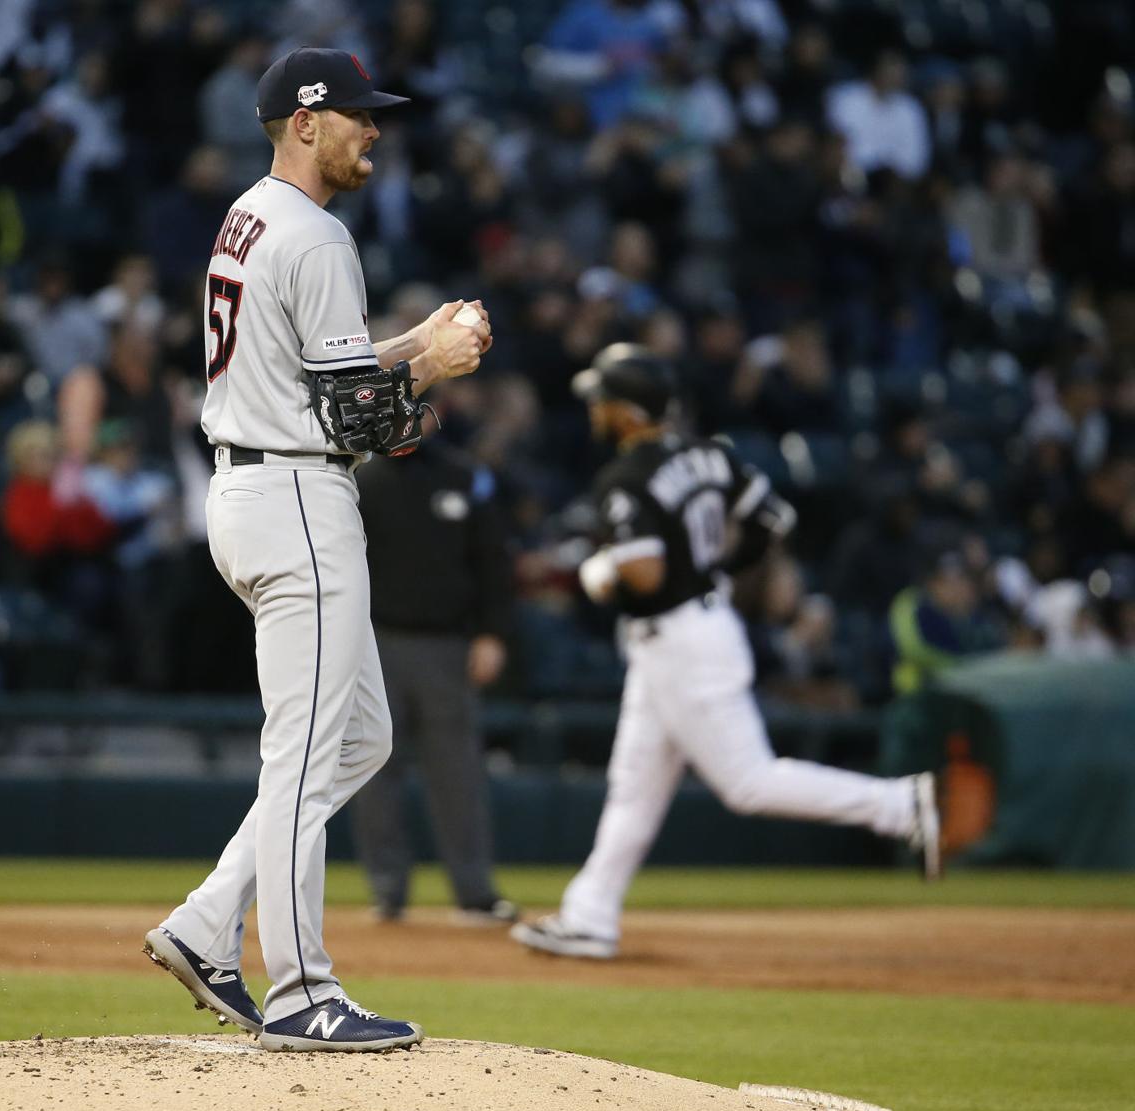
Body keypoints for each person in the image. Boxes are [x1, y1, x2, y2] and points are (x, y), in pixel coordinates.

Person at [142, 48, 491, 1053]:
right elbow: (362, 425)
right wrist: (436, 366)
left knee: (360, 738)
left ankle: (210, 922)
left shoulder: (251, 216)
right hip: (297, 494)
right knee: (302, 752)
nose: (372, 130)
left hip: (251, 483)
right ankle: (301, 990)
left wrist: (405, 342)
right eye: (355, 115)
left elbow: (315, 378)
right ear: (305, 121)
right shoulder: (319, 235)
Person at [511, 344, 940, 961]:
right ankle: (590, 915)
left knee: (747, 782)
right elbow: (773, 518)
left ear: (630, 412)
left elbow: (648, 576)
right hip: (689, 635)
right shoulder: (711, 454)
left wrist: (601, 570)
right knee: (633, 785)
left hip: (681, 641)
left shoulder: (627, 478)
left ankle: (898, 805)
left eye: (604, 401)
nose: (596, 411)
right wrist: (720, 570)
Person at [352, 426, 515, 924]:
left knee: (458, 773)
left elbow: (494, 560)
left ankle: (474, 892)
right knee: (373, 771)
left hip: (448, 645)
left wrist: (493, 633)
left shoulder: (465, 476)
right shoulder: (360, 475)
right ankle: (387, 892)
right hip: (374, 642)